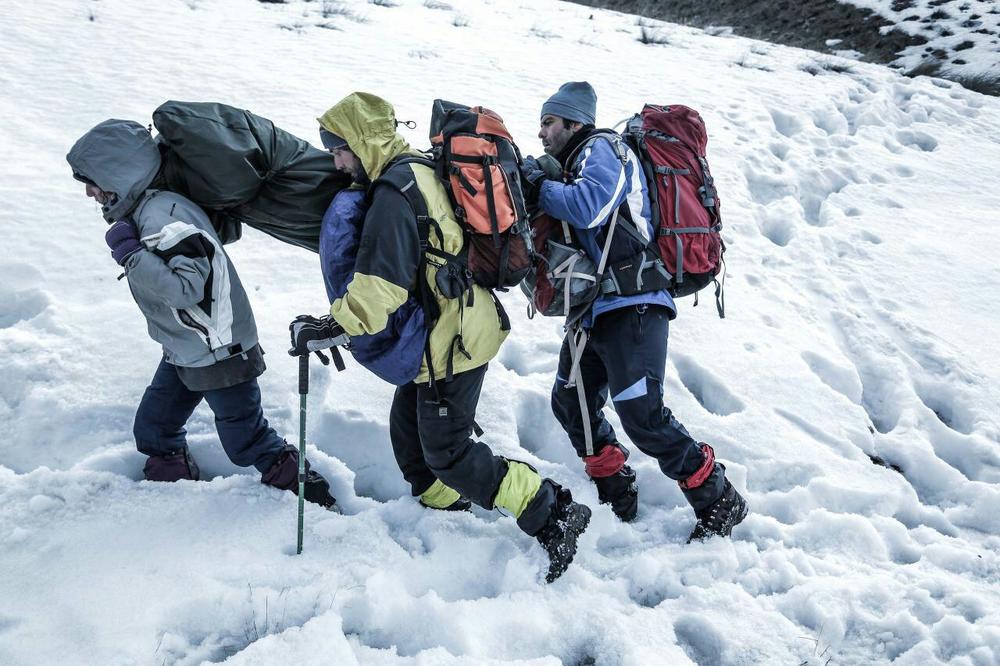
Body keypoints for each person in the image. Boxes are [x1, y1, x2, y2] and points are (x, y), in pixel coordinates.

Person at [288, 92, 591, 581]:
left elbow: (379, 285)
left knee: (448, 453)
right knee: (410, 441)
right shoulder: (412, 170)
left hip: (456, 340)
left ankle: (552, 511)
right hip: (439, 334)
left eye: (338, 149)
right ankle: (447, 516)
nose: (336, 161)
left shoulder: (394, 189)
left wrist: (333, 326)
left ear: (360, 142)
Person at [67, 119, 336, 509]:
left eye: (92, 181)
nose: (90, 192)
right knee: (155, 430)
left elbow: (185, 288)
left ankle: (311, 500)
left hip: (220, 351)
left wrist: (130, 254)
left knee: (247, 441)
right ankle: (171, 501)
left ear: (119, 173)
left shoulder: (163, 215)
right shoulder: (147, 209)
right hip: (186, 348)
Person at [521, 82, 748, 542]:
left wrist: (541, 187)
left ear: (574, 121)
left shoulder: (603, 149)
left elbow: (589, 207)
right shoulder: (575, 161)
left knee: (643, 414)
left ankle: (719, 496)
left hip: (634, 303)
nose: (542, 132)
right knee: (572, 403)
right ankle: (615, 486)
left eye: (549, 122)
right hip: (594, 310)